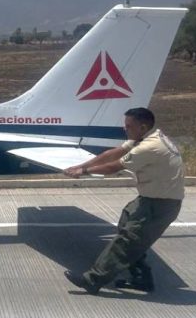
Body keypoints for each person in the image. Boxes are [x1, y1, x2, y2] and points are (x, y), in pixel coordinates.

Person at [62, 107, 184, 295]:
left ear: (142, 127)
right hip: (149, 199)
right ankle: (141, 277)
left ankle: (92, 280)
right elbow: (114, 153)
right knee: (126, 224)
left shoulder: (150, 147)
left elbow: (114, 166)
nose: (125, 129)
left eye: (128, 126)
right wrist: (80, 166)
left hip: (160, 204)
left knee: (125, 242)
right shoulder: (147, 136)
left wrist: (84, 172)